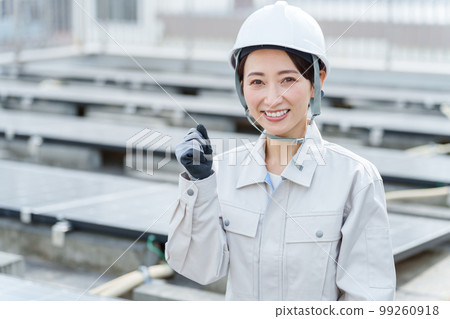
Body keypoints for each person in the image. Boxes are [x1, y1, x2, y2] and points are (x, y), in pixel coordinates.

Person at [165, 1, 396, 301]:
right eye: (257, 81)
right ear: (241, 88)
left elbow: (369, 299)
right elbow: (199, 268)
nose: (272, 98)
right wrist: (198, 187)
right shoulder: (221, 172)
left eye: (288, 79)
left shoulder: (355, 179)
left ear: (317, 81)